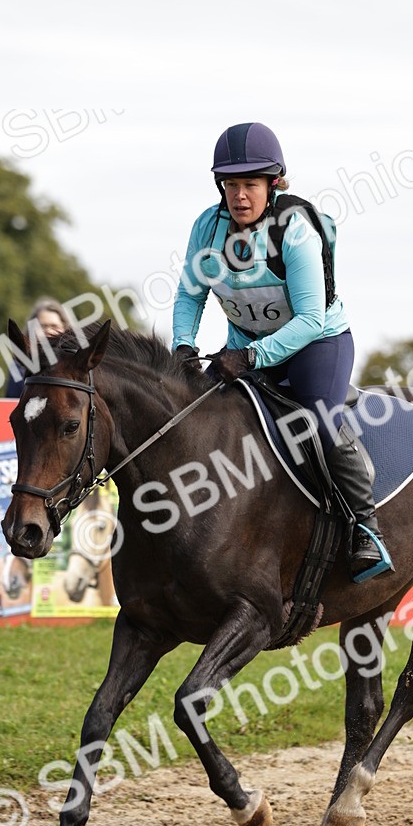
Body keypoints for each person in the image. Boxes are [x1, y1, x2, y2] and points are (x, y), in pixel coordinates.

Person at [171, 122, 392, 581]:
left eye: (250, 184)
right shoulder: (206, 228)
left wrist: (251, 358)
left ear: (273, 184)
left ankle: (365, 527)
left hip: (316, 344)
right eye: (231, 185)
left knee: (321, 421)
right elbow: (190, 295)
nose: (240, 196)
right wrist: (183, 345)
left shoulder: (295, 231)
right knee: (196, 418)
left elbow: (309, 320)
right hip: (246, 345)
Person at [5, 298, 67, 397]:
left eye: (54, 326)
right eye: (43, 326)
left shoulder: (73, 360)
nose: (48, 331)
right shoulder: (18, 365)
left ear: (65, 328)